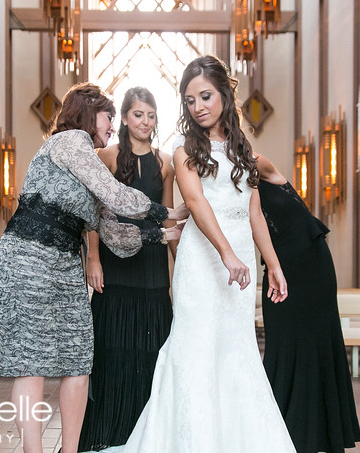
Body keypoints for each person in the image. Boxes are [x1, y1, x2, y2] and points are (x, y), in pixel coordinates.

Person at [0, 82, 188, 453]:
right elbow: (114, 193)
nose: (113, 125)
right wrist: (166, 212)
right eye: (109, 116)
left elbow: (113, 232)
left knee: (80, 361)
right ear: (86, 111)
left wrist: (165, 235)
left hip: (66, 263)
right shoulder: (69, 143)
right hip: (26, 257)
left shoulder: (87, 167)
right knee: (31, 363)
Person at [121, 55, 295, 453]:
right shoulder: (183, 152)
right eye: (190, 100)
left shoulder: (243, 151)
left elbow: (254, 213)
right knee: (196, 348)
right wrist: (227, 254)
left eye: (205, 96)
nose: (198, 106)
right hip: (203, 263)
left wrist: (273, 264)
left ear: (225, 96)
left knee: (237, 350)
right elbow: (197, 205)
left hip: (241, 263)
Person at [77, 87, 176, 452]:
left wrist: (176, 271)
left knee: (151, 355)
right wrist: (94, 259)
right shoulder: (105, 156)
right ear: (124, 118)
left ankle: (145, 435)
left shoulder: (165, 163)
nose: (145, 122)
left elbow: (167, 220)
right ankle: (109, 432)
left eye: (151, 115)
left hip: (151, 271)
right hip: (115, 269)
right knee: (111, 351)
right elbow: (92, 213)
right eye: (138, 114)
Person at [255, 153, 360, 452]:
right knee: (283, 345)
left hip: (311, 266)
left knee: (316, 346)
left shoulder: (258, 163)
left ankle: (320, 435)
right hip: (278, 267)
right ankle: (284, 434)